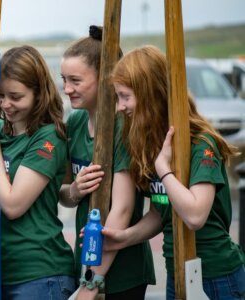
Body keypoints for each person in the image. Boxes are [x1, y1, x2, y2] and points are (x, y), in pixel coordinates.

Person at [105, 45, 245, 299]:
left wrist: (163, 170)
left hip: (217, 276)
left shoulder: (200, 143)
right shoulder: (153, 144)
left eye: (125, 97)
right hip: (176, 272)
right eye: (117, 98)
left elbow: (194, 215)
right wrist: (124, 238)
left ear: (150, 94)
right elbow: (162, 212)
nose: (119, 107)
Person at [59, 26, 155, 299]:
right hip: (86, 262)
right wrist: (75, 191)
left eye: (75, 80)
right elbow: (65, 194)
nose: (67, 89)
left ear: (105, 79)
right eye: (63, 79)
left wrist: (92, 282)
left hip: (121, 271)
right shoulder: (75, 122)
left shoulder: (123, 127)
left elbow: (122, 210)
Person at [0, 45, 76, 300]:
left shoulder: (48, 137)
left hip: (41, 274)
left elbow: (13, 205)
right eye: (1, 95)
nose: (6, 104)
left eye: (16, 96)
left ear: (38, 92)